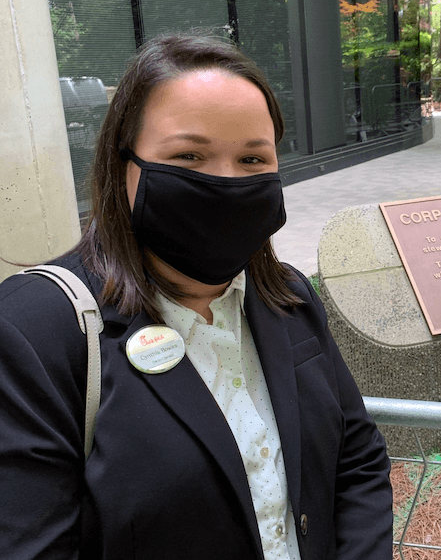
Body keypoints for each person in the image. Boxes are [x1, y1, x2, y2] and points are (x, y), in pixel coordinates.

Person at [0, 34, 392, 560]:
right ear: (123, 166)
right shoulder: (37, 326)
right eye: (188, 155)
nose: (225, 183)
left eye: (253, 160)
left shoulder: (290, 298)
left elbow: (357, 458)